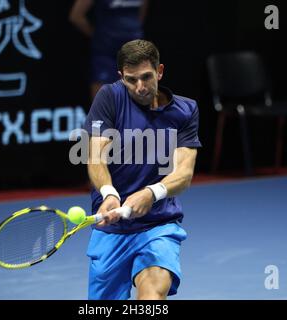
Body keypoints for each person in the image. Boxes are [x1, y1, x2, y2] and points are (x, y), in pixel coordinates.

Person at [82, 39, 202, 300]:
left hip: (158, 226)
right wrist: (109, 193)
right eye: (131, 79)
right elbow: (94, 156)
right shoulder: (110, 97)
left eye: (147, 77)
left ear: (159, 71)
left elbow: (184, 173)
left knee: (151, 296)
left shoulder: (185, 110)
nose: (140, 87)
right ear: (120, 77)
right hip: (111, 230)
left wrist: (152, 193)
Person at [69, 0, 148, 100]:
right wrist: (98, 35)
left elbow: (140, 14)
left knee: (137, 104)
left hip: (134, 53)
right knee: (103, 106)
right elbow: (76, 16)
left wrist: (132, 32)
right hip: (106, 52)